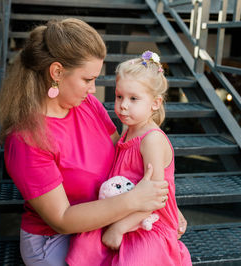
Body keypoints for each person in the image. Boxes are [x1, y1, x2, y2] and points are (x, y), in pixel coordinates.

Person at [0, 18, 186, 266]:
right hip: (55, 239)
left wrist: (164, 204)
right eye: (87, 79)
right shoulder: (26, 140)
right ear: (56, 73)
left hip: (104, 224)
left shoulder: (87, 105)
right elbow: (61, 219)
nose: (94, 89)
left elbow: (129, 163)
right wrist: (134, 201)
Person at [66, 51, 192, 266]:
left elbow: (155, 196)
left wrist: (119, 228)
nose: (123, 105)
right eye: (119, 96)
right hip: (126, 209)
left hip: (150, 220)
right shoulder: (128, 132)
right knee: (84, 246)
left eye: (134, 99)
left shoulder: (151, 140)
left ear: (155, 103)